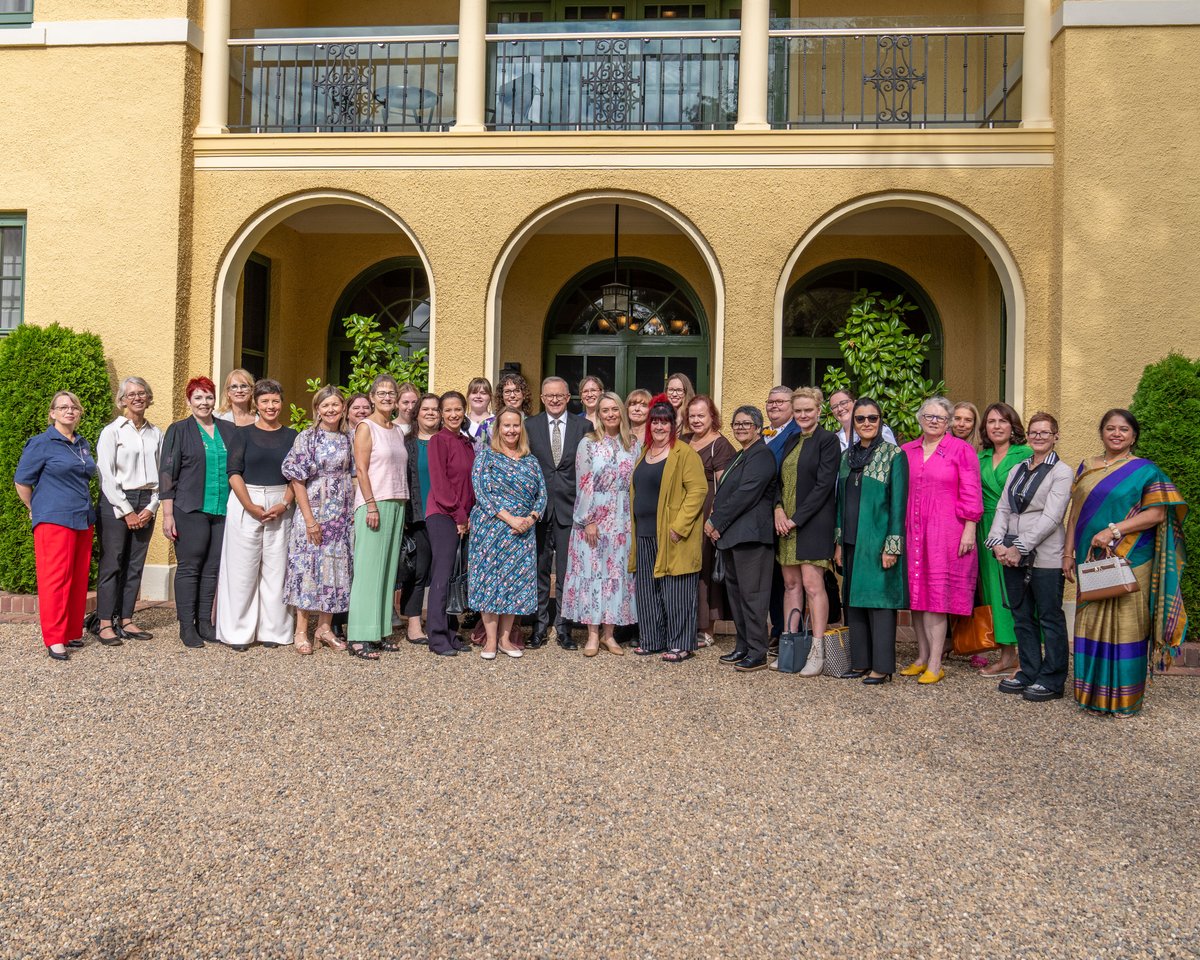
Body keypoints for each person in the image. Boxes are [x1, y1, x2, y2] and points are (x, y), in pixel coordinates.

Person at [1064, 408, 1187, 716]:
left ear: (1134, 436)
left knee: (1127, 624)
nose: (1116, 434)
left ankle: (1123, 699)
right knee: (1090, 622)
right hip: (1090, 558)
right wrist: (1067, 553)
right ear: (1102, 432)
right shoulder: (1086, 467)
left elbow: (1157, 514)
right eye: (1110, 428)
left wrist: (1114, 530)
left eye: (1124, 429)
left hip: (1131, 557)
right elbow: (1075, 514)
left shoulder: (1146, 471)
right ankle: (1090, 695)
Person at [984, 412, 1073, 701]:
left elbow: (1052, 517)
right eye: (1034, 432)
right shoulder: (1019, 468)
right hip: (1010, 551)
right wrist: (997, 542)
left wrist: (1019, 546)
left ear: (1055, 436)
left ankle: (1052, 678)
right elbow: (1002, 508)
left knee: (1049, 616)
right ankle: (1029, 671)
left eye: (1045, 433)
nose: (1038, 437)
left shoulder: (1062, 472)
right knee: (1021, 616)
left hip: (1045, 554)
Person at [900, 397, 984, 684]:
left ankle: (936, 663)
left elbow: (972, 491)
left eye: (940, 417)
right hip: (912, 530)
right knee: (917, 597)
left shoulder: (962, 450)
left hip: (946, 531)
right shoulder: (906, 451)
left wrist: (970, 528)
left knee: (936, 596)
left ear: (948, 422)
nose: (933, 421)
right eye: (928, 416)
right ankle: (921, 657)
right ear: (919, 418)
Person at [14, 391, 97, 662]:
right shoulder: (41, 443)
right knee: (55, 580)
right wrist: (35, 509)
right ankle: (54, 638)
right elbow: (22, 482)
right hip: (54, 519)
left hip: (83, 518)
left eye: (74, 407)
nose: (69, 411)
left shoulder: (81, 443)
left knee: (77, 577)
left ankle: (72, 631)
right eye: (63, 407)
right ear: (52, 413)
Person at [216, 379, 297, 650]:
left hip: (280, 502)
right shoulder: (244, 434)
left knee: (277, 570)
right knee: (242, 569)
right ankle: (238, 633)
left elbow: (296, 477)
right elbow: (233, 472)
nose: (271, 406)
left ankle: (274, 630)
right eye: (265, 401)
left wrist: (285, 503)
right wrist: (250, 505)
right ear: (257, 404)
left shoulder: (292, 436)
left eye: (275, 401)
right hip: (245, 500)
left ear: (281, 403)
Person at [833, 398, 908, 684]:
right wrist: (839, 542)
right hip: (851, 541)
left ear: (880, 421)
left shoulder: (894, 456)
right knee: (853, 602)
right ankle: (861, 662)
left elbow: (898, 504)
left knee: (879, 604)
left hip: (877, 541)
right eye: (861, 419)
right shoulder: (847, 457)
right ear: (853, 423)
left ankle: (882, 666)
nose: (866, 423)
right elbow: (840, 502)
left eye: (872, 418)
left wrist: (892, 546)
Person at [629, 395, 707, 662]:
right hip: (645, 532)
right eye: (655, 422)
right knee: (647, 590)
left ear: (673, 425)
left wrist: (680, 525)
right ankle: (652, 640)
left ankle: (680, 643)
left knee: (677, 590)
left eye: (664, 422)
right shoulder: (644, 452)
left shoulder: (684, 453)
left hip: (672, 533)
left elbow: (698, 490)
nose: (659, 427)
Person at [159, 377, 236, 648]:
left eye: (208, 397)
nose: (204, 403)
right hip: (189, 508)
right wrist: (168, 515)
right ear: (189, 401)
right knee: (190, 568)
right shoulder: (179, 430)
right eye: (198, 398)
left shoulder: (228, 429)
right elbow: (167, 474)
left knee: (213, 568)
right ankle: (186, 626)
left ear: (215, 400)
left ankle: (205, 623)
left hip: (222, 509)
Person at [561, 392, 638, 657]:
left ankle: (609, 635)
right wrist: (588, 520)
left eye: (614, 409)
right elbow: (584, 483)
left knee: (616, 577)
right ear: (599, 414)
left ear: (621, 411)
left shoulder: (633, 444)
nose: (610, 414)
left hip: (622, 521)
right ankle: (592, 635)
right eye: (605, 410)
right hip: (593, 519)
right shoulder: (589, 443)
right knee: (593, 576)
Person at [470, 408, 547, 660]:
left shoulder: (530, 460)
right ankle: (490, 641)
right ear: (498, 429)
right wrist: (510, 518)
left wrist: (531, 518)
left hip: (522, 532)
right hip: (492, 528)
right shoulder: (486, 457)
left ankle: (505, 639)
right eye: (506, 426)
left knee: (513, 584)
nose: (511, 430)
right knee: (490, 583)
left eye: (516, 426)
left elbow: (542, 495)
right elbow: (482, 493)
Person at [282, 385, 353, 655]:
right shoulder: (307, 438)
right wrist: (310, 520)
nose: (331, 410)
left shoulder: (348, 438)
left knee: (335, 570)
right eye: (326, 405)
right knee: (308, 568)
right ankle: (302, 630)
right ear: (317, 409)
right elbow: (297, 480)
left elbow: (354, 475)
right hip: (313, 513)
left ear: (343, 408)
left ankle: (325, 627)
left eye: (336, 404)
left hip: (341, 516)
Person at [705, 405, 777, 672]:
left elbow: (746, 494)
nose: (741, 428)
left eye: (746, 424)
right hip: (733, 538)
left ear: (758, 427)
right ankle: (743, 645)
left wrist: (716, 521)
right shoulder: (740, 455)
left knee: (753, 596)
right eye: (736, 424)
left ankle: (757, 651)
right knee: (736, 596)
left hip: (752, 539)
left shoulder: (762, 456)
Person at [774, 387, 840, 666]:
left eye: (808, 410)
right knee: (791, 585)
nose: (802, 415)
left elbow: (824, 486)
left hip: (812, 523)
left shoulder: (828, 441)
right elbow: (777, 479)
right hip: (785, 525)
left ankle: (817, 651)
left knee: (813, 586)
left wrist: (796, 518)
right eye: (798, 410)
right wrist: (778, 509)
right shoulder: (790, 440)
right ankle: (791, 650)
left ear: (819, 411)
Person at [346, 375, 409, 660]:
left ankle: (380, 630)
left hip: (397, 501)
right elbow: (360, 470)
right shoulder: (365, 427)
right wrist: (370, 504)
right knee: (368, 571)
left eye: (391, 393)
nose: (386, 397)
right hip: (374, 503)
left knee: (386, 572)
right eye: (381, 393)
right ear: (371, 397)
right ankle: (359, 635)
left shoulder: (397, 430)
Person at [95, 376, 161, 645]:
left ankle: (126, 619)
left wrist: (152, 506)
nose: (137, 397)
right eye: (131, 394)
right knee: (113, 562)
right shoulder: (112, 431)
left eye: (142, 393)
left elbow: (162, 474)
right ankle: (104, 623)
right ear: (122, 400)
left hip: (146, 500)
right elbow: (105, 475)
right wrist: (126, 510)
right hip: (116, 502)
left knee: (135, 564)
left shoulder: (157, 433)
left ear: (148, 397)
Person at [526, 376, 590, 650]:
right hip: (538, 512)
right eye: (549, 395)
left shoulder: (583, 426)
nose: (554, 399)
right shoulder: (529, 426)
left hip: (570, 509)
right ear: (542, 398)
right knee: (539, 571)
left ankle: (564, 629)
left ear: (568, 398)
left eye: (559, 395)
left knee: (567, 573)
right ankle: (539, 627)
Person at [976, 402, 1033, 677]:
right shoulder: (981, 457)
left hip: (1016, 527)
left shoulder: (1027, 453)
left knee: (1018, 591)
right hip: (986, 528)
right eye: (991, 421)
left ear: (1013, 426)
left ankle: (1027, 656)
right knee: (995, 593)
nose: (996, 426)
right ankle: (1006, 655)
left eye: (1002, 421)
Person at [425, 390, 475, 657]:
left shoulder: (466, 442)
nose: (454, 414)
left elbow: (470, 483)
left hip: (462, 518)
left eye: (458, 409)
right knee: (443, 577)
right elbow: (441, 484)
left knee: (456, 576)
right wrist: (459, 516)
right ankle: (437, 637)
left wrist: (468, 516)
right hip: (444, 515)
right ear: (441, 414)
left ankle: (452, 632)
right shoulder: (438, 441)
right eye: (448, 410)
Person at [687, 394, 736, 647]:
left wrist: (716, 519)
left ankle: (707, 628)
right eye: (692, 416)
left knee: (707, 570)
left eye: (701, 416)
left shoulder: (720, 445)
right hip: (685, 514)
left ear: (712, 417)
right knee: (689, 570)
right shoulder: (684, 441)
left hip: (707, 514)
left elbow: (725, 486)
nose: (696, 420)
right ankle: (687, 624)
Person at [398, 392, 440, 645]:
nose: (431, 413)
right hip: (417, 515)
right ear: (417, 413)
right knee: (418, 570)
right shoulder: (406, 443)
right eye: (425, 409)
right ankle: (413, 622)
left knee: (442, 570)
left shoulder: (447, 441)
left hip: (443, 516)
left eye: (435, 409)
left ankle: (440, 621)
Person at [330, 391, 372, 641]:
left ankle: (358, 618)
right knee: (342, 565)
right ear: (347, 411)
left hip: (365, 503)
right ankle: (336, 620)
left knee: (360, 565)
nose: (361, 411)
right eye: (356, 408)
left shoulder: (374, 432)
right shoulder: (342, 437)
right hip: (342, 506)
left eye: (366, 407)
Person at [828, 388, 896, 451]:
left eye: (843, 403)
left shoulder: (880, 430)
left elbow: (893, 455)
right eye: (834, 407)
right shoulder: (834, 439)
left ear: (855, 403)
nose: (840, 409)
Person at [465, 377, 494, 446]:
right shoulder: (460, 422)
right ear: (468, 396)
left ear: (490, 397)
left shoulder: (497, 422)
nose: (478, 396)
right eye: (474, 392)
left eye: (483, 393)